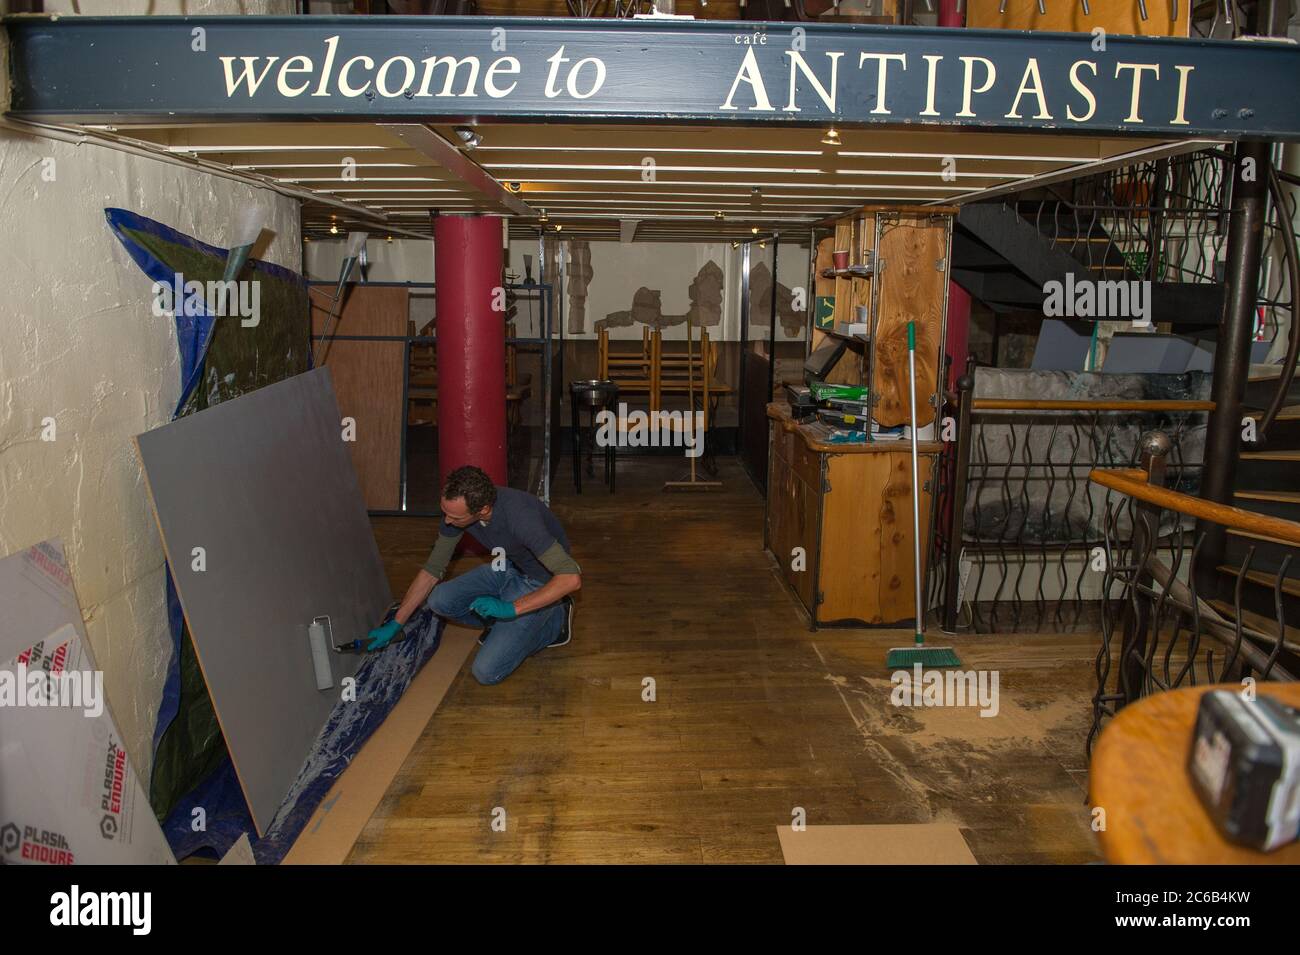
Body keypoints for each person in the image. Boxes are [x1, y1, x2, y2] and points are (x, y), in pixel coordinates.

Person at [366, 465, 581, 685]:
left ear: (484, 510)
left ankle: (555, 620)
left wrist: (510, 608)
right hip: (506, 567)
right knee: (439, 600)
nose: (447, 521)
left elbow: (570, 578)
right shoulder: (458, 510)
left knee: (486, 671)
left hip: (541, 581)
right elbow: (432, 570)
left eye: (455, 517)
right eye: (445, 512)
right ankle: (504, 624)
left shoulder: (521, 517)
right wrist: (396, 623)